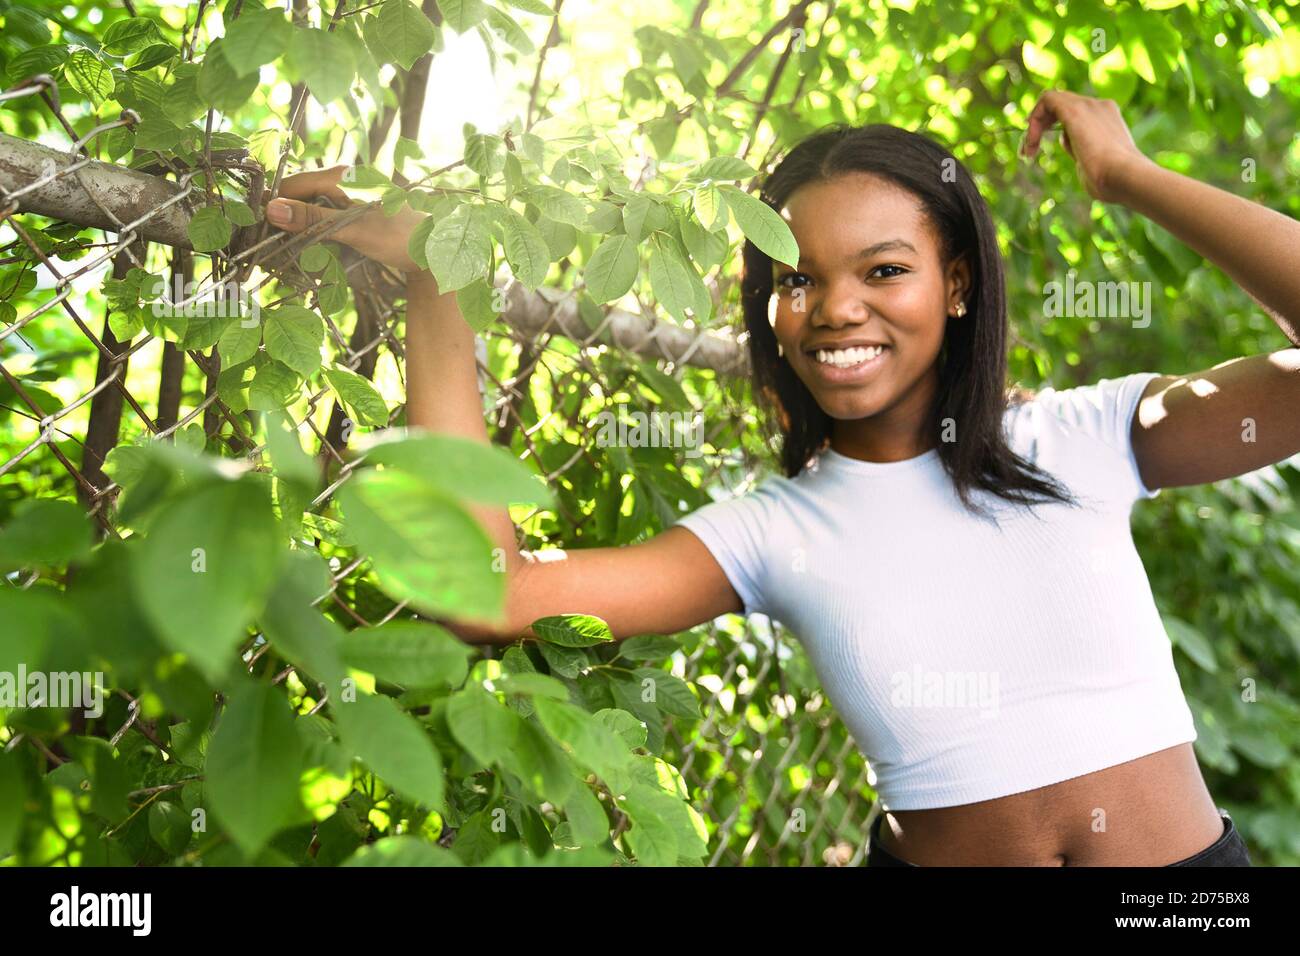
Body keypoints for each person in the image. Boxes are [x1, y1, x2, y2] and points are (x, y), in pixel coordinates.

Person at [263, 89, 1299, 866]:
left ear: (957, 283)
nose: (835, 306)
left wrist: (1128, 176)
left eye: (882, 269)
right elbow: (477, 591)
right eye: (795, 278)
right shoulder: (774, 531)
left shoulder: (1088, 434)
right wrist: (440, 280)